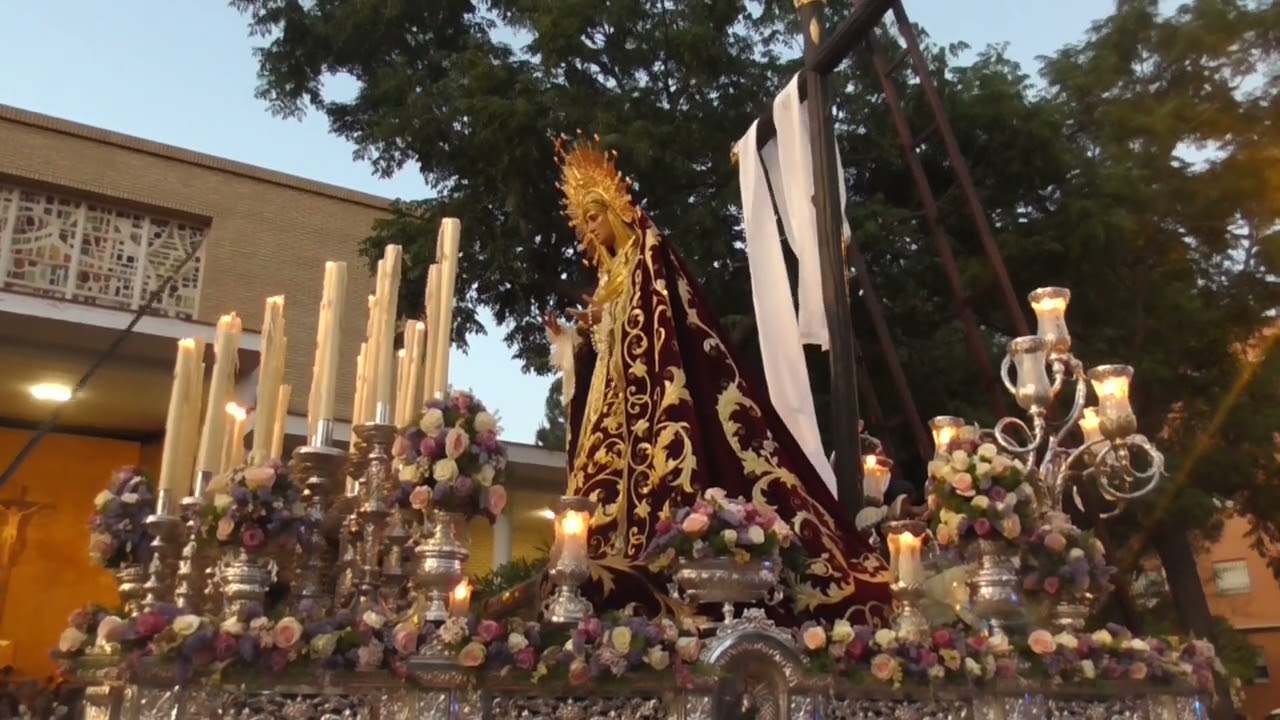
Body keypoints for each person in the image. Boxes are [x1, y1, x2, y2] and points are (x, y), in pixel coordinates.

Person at [544, 133, 890, 624]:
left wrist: (609, 320)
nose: (589, 231)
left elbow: (660, 325)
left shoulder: (647, 255)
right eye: (583, 223)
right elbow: (603, 344)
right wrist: (574, 340)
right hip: (612, 402)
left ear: (616, 208)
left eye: (593, 217)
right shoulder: (606, 278)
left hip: (645, 404)